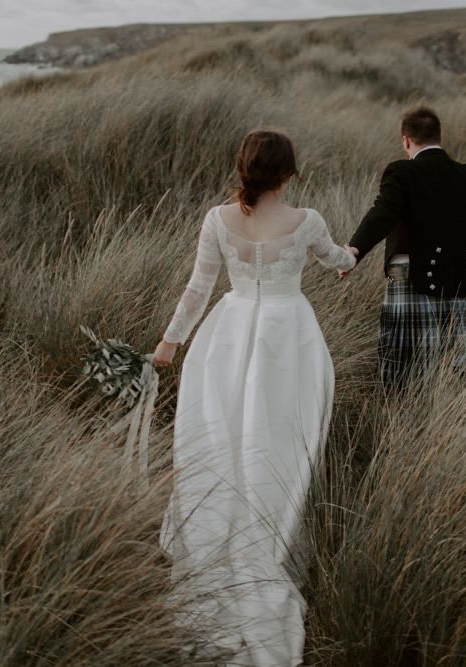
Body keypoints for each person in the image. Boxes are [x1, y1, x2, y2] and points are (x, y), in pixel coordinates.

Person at [151, 129, 356, 667]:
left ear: (243, 169)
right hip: (288, 340)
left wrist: (170, 342)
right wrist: (350, 258)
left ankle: (228, 530)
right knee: (279, 439)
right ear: (288, 174)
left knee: (225, 436)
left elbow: (198, 289)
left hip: (228, 336)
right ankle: (271, 532)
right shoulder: (306, 220)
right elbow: (337, 256)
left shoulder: (218, 219)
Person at [343, 105, 466, 387]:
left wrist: (355, 249)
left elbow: (382, 213)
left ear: (406, 140)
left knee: (403, 371)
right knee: (454, 372)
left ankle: (403, 417)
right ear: (439, 136)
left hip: (410, 280)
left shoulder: (402, 171)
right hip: (459, 284)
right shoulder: (463, 175)